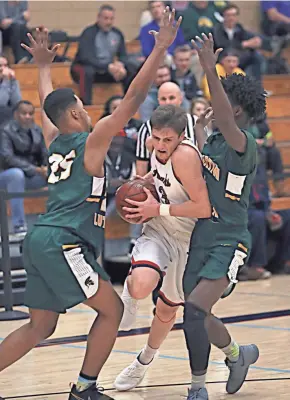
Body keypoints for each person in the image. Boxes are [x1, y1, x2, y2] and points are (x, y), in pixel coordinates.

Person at [0, 9, 181, 400]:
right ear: (77, 113)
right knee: (112, 311)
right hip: (64, 241)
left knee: (40, 327)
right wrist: (160, 48)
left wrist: (44, 68)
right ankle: (84, 389)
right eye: (82, 105)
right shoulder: (92, 140)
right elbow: (133, 97)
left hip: (41, 239)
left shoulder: (53, 138)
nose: (87, 109)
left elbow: (49, 103)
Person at [181, 33, 266, 399]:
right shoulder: (214, 140)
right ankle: (237, 355)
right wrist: (199, 132)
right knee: (196, 313)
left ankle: (197, 388)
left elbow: (227, 122)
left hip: (230, 239)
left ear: (235, 110)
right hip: (202, 234)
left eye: (222, 102)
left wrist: (208, 70)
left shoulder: (243, 142)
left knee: (195, 309)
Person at [114, 104, 211, 391]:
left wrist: (158, 207)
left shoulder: (185, 156)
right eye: (157, 138)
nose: (161, 144)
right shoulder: (152, 144)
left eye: (168, 140)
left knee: (167, 312)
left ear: (181, 137)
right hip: (158, 228)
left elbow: (203, 207)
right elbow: (162, 179)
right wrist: (145, 182)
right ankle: (130, 296)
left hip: (186, 237)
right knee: (142, 285)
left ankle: (142, 362)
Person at [0, 100, 47, 236]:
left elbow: (45, 154)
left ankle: (58, 224)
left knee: (60, 174)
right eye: (24, 113)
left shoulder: (37, 130)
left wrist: (46, 168)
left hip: (29, 176)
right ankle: (18, 225)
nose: (28, 117)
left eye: (31, 113)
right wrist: (36, 170)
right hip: (5, 175)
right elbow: (7, 158)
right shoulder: (5, 131)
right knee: (16, 175)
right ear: (15, 114)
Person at [136, 81, 196, 177]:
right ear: (158, 101)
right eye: (163, 99)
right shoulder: (146, 128)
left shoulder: (195, 123)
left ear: (180, 99)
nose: (168, 102)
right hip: (161, 182)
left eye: (172, 98)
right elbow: (141, 166)